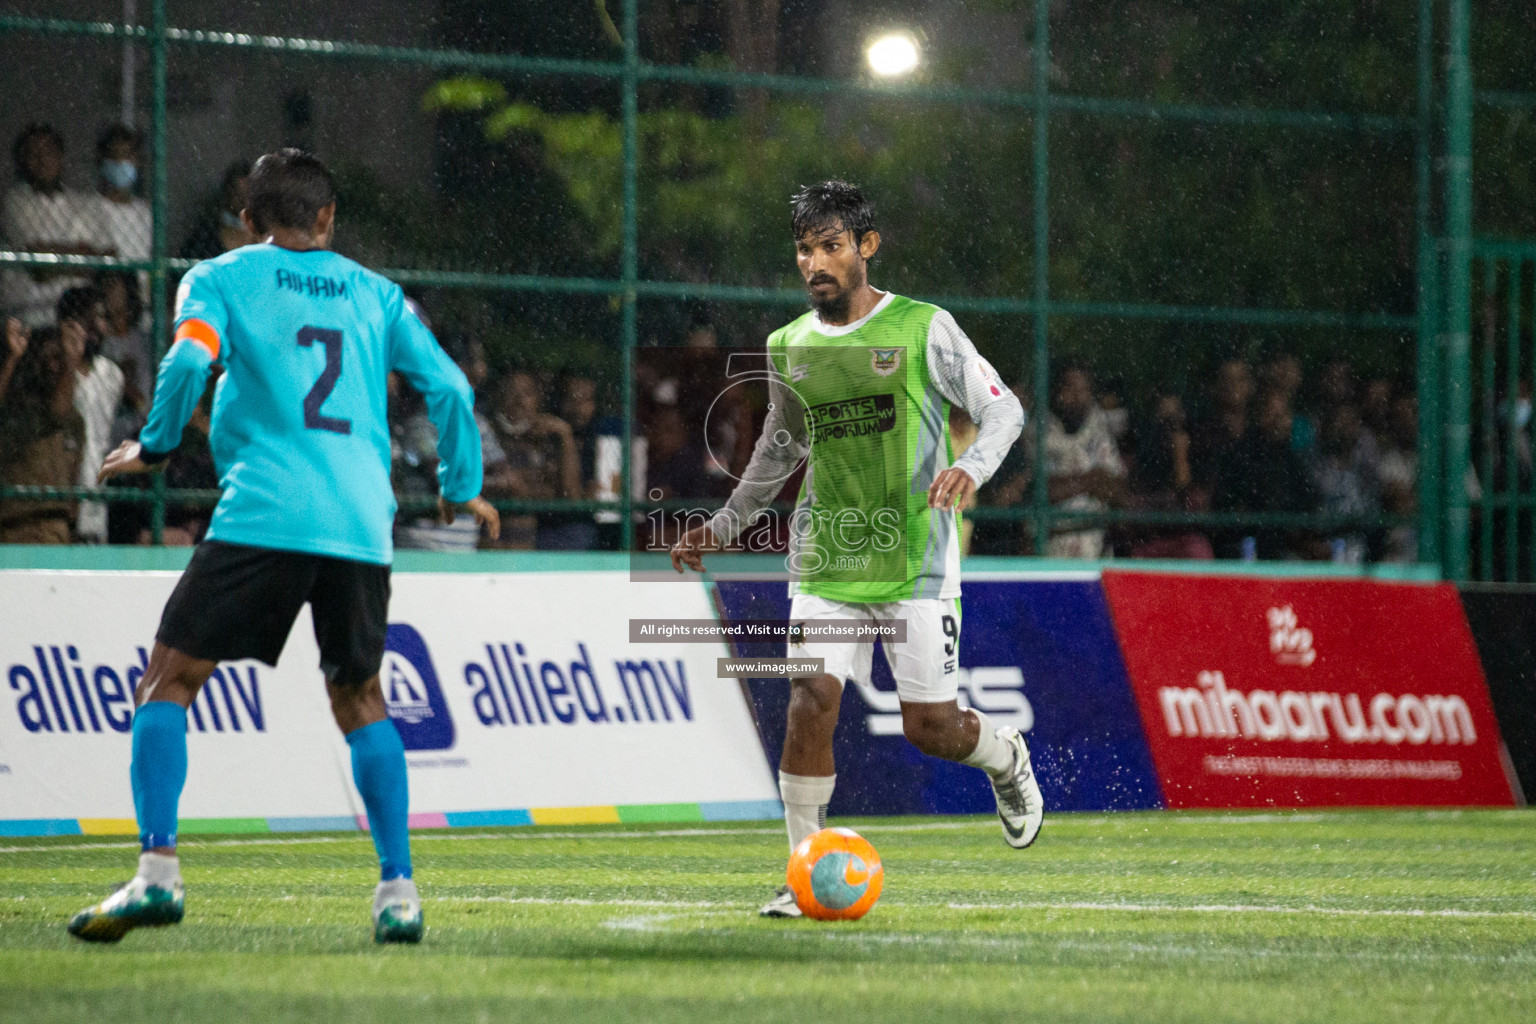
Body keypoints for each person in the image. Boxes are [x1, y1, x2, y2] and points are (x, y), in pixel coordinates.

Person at [69, 148, 499, 945]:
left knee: (169, 678)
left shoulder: (220, 278)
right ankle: (398, 892)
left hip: (264, 514)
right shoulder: (380, 296)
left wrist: (157, 445)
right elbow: (452, 387)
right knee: (361, 699)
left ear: (247, 218)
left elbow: (190, 356)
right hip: (359, 523)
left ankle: (157, 874)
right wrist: (457, 479)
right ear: (329, 219)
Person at [669, 181, 1038, 918]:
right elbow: (780, 448)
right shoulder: (788, 346)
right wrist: (726, 523)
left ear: (867, 247)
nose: (816, 262)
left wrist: (970, 466)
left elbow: (1003, 408)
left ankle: (1005, 756)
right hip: (827, 558)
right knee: (811, 698)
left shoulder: (923, 327)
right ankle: (801, 870)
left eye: (831, 245)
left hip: (915, 560)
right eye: (805, 248)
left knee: (931, 729)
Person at [3, 124, 113, 328]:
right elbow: (39, 266)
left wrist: (53, 253)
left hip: (79, 321)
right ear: (22, 160)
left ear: (61, 156)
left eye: (49, 152)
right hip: (30, 319)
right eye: (34, 153)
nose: (42, 160)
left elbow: (107, 260)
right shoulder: (15, 202)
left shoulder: (84, 203)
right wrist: (82, 254)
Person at [0, 325, 84, 543]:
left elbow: (59, 416)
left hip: (57, 524)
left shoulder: (74, 420)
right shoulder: (17, 411)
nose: (53, 366)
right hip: (15, 523)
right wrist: (12, 359)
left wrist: (71, 360)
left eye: (59, 358)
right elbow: (55, 416)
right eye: (45, 358)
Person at [58, 286, 124, 543]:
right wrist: (69, 359)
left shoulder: (111, 375)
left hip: (96, 485)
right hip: (60, 485)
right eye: (91, 318)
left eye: (103, 318)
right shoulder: (53, 369)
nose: (99, 326)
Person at [1043, 358, 1126, 558]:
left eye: (1083, 390)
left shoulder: (1099, 427)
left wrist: (1071, 484)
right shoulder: (1039, 431)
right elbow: (1042, 491)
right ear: (1056, 392)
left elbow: (1117, 490)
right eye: (1070, 389)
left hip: (1096, 545)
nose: (1077, 397)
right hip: (1051, 545)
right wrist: (1091, 480)